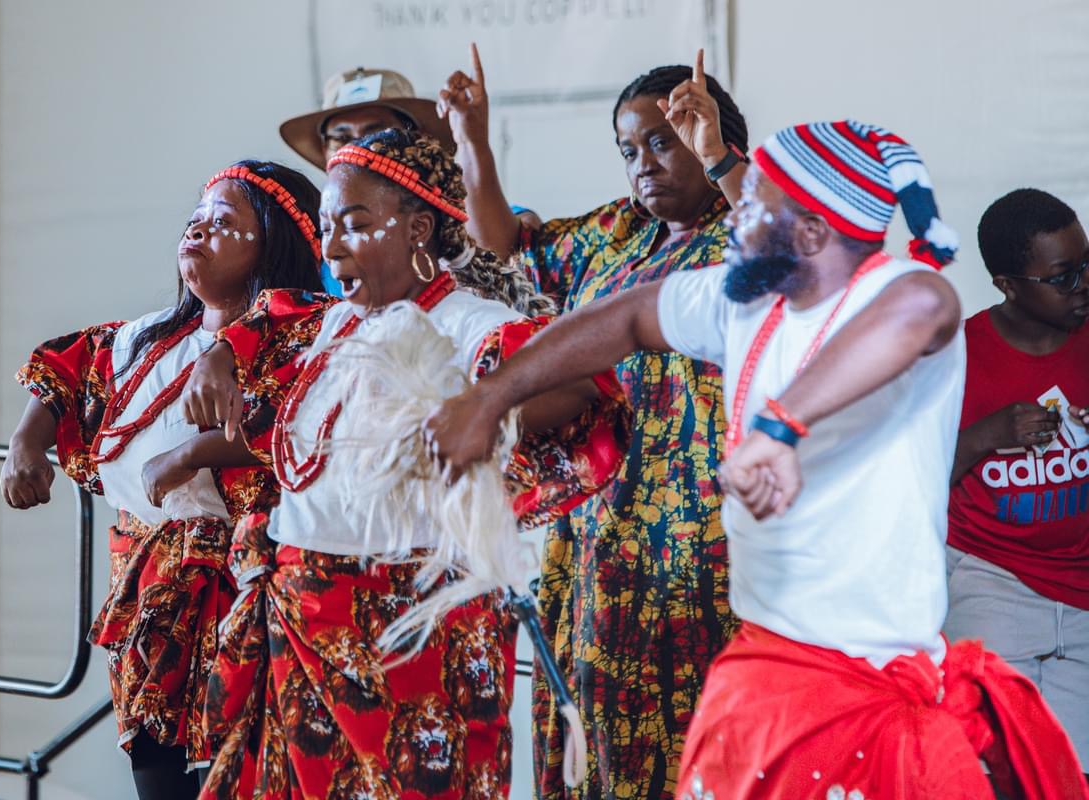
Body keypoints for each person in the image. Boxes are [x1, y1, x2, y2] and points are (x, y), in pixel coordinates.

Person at [428, 114, 1089, 798]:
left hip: (866, 676)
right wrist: (491, 397)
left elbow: (919, 306)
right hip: (768, 660)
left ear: (808, 234)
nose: (734, 212)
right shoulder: (744, 295)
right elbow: (625, 317)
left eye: (755, 205)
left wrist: (780, 427)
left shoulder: (896, 296)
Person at [180, 129, 631, 800]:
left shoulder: (468, 324)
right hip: (304, 626)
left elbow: (581, 388)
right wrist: (219, 354)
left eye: (355, 225)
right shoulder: (335, 325)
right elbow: (266, 319)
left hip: (410, 635)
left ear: (419, 228)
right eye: (327, 227)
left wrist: (478, 407)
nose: (331, 249)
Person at [437, 45, 747, 798]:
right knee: (602, 728)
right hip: (604, 531)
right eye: (628, 149)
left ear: (709, 135)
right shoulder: (615, 232)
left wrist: (724, 159)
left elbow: (799, 248)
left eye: (662, 141)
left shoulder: (753, 231)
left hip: (710, 533)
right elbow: (503, 252)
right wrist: (474, 139)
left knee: (711, 728)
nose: (642, 163)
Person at [0, 161, 327, 799]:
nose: (198, 232)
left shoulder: (303, 335)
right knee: (157, 771)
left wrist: (188, 454)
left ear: (273, 245)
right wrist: (25, 443)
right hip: (148, 586)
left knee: (242, 767)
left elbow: (299, 420)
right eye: (194, 221)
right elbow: (66, 368)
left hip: (245, 585)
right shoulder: (144, 342)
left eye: (223, 223)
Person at [946, 188, 1089, 783]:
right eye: (1063, 277)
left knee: (1072, 776)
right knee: (993, 772)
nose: (1083, 286)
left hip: (1082, 587)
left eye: (1088, 266)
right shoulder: (956, 353)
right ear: (1007, 283)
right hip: (992, 581)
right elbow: (912, 481)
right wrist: (988, 434)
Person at [280, 65, 540, 296]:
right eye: (342, 137)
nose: (358, 148)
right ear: (325, 151)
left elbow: (498, 251)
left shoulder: (483, 218)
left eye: (376, 133)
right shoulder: (309, 251)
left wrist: (472, 141)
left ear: (415, 141)